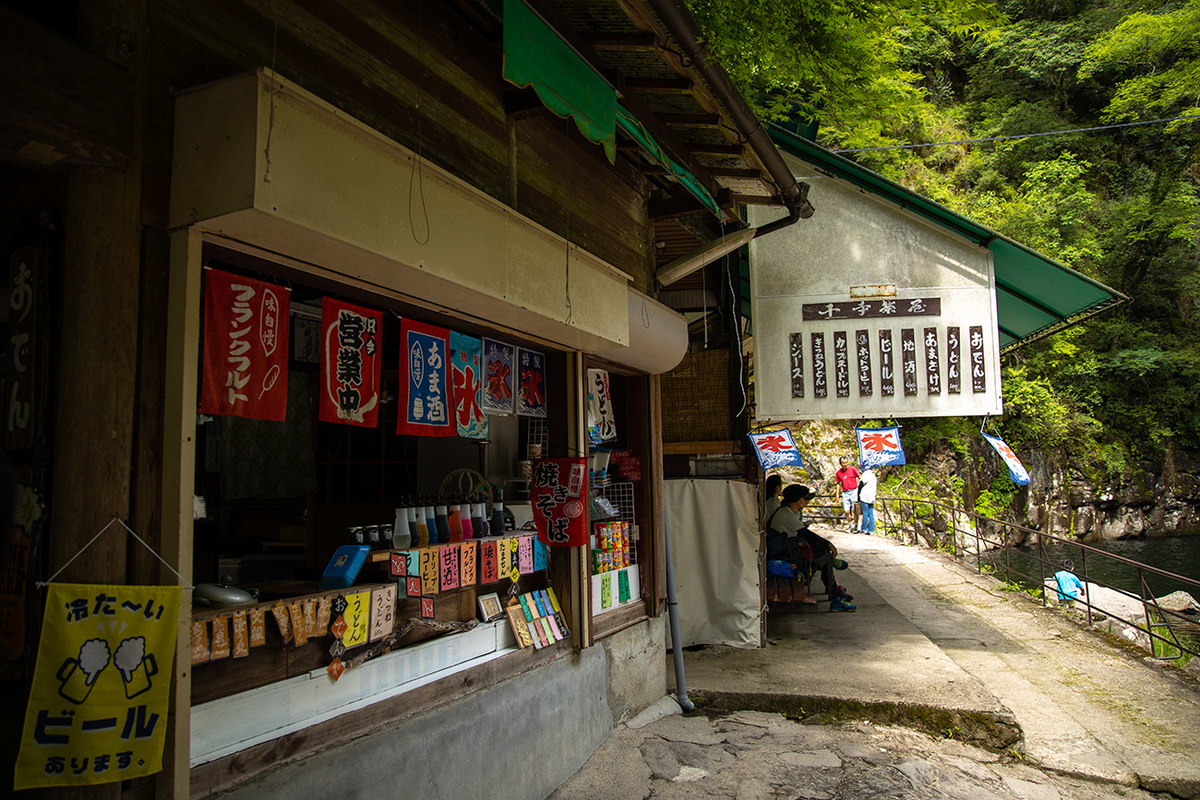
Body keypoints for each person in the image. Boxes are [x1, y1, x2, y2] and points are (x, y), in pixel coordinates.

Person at [767, 484, 856, 612]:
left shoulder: (786, 511)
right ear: (799, 501)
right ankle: (835, 593)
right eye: (806, 499)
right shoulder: (786, 514)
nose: (808, 501)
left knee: (824, 555)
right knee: (824, 555)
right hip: (783, 556)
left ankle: (835, 593)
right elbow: (805, 534)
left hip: (784, 551)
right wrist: (828, 544)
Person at [833, 457, 861, 531]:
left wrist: (860, 488)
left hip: (854, 490)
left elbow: (860, 477)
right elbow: (838, 484)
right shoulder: (838, 473)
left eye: (846, 462)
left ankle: (856, 525)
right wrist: (837, 495)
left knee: (855, 510)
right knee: (846, 511)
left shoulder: (853, 469)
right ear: (840, 464)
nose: (845, 464)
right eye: (843, 463)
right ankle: (850, 524)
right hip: (845, 492)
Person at [857, 467, 877, 534]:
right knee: (871, 513)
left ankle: (864, 528)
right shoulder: (873, 475)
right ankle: (871, 529)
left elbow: (861, 484)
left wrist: (858, 494)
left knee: (865, 513)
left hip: (865, 496)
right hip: (871, 496)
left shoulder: (866, 474)